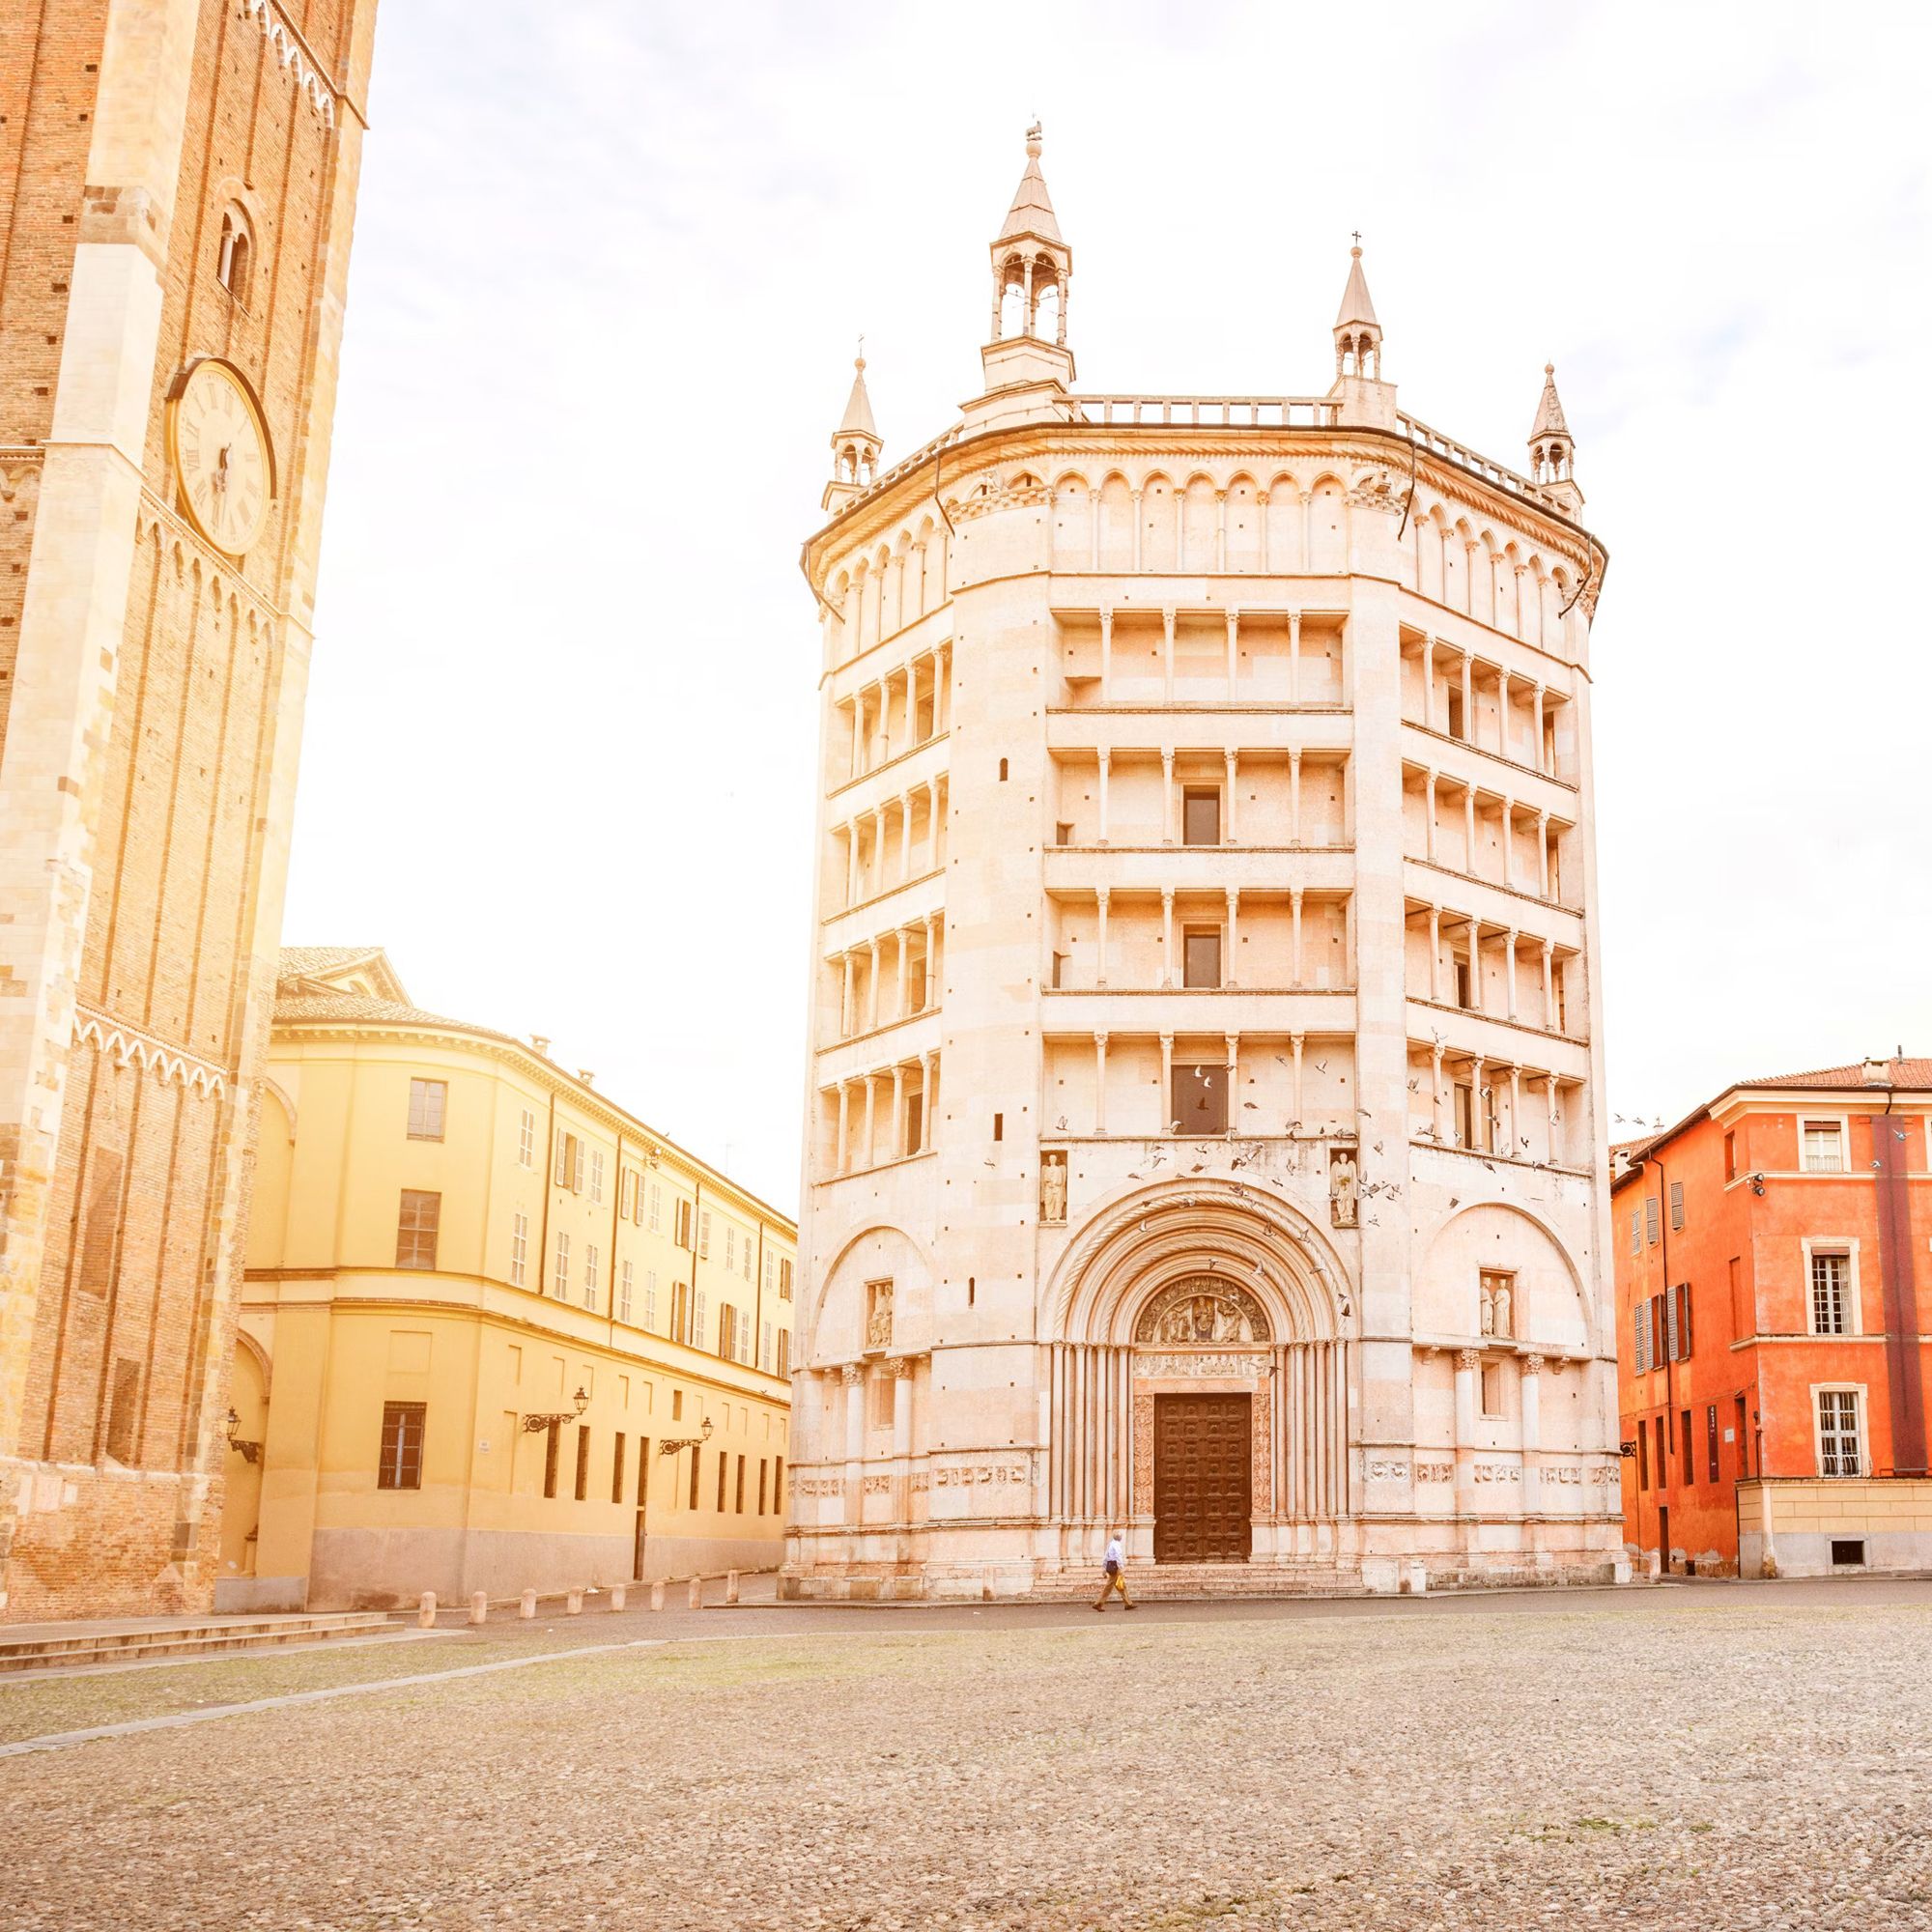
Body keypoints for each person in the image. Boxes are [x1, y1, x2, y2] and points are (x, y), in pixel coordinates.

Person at [1094, 1530, 1136, 1611]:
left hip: (1111, 1566)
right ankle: (1098, 1603)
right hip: (1115, 1567)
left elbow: (1106, 1556)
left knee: (1120, 1585)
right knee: (1111, 1586)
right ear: (1120, 1538)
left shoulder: (1111, 1544)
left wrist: (1104, 1567)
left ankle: (1128, 1603)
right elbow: (1118, 1556)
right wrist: (1121, 1567)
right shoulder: (1117, 1545)